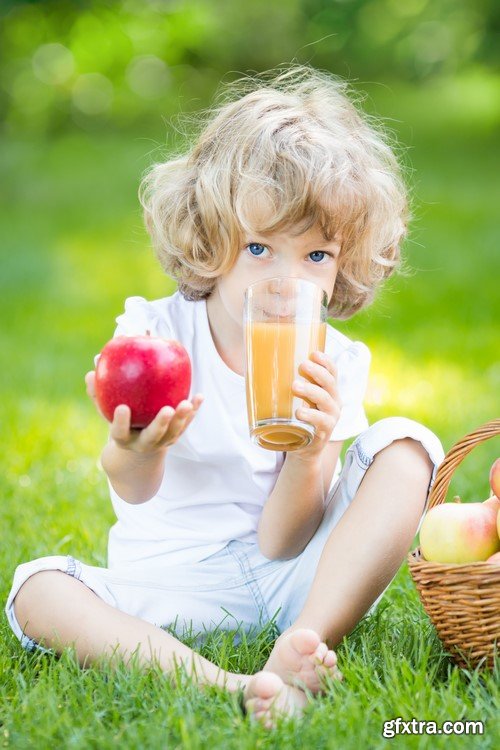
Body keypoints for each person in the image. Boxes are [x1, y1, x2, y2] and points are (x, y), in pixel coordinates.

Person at [5, 64, 444, 729]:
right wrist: (135, 448)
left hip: (290, 582)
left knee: (409, 446)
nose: (283, 281)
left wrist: (311, 449)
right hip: (172, 587)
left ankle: (302, 641)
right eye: (261, 248)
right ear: (213, 239)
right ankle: (225, 682)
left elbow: (281, 540)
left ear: (343, 263)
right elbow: (132, 488)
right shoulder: (158, 335)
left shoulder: (335, 362)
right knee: (36, 589)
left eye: (315, 257)